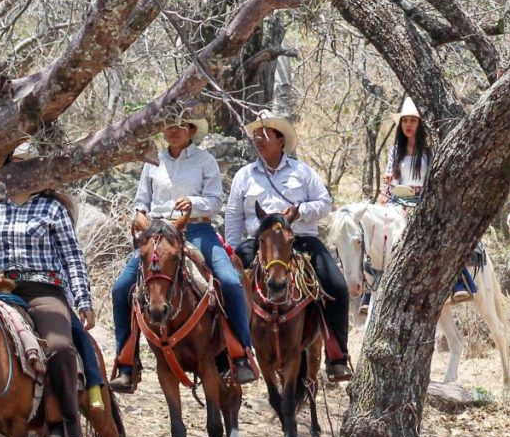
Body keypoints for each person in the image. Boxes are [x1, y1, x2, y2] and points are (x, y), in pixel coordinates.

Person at [108, 112, 256, 392]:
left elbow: (214, 202)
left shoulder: (205, 161)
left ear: (191, 129)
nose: (173, 130)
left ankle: (241, 356)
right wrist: (139, 214)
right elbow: (141, 200)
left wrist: (193, 203)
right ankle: (127, 363)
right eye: (167, 125)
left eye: (179, 126)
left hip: (197, 230)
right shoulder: (153, 161)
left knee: (231, 281)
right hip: (157, 233)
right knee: (121, 289)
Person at [0, 147, 95, 437]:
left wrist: (84, 300)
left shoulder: (52, 209)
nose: (23, 172)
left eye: (30, 166)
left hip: (43, 290)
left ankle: (61, 420)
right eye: (17, 166)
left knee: (59, 347)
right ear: (7, 169)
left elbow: (73, 258)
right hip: (0, 291)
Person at [225, 110, 353, 382]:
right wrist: (233, 253)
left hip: (301, 240)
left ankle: (337, 355)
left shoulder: (302, 172)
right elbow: (234, 217)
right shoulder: (244, 176)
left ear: (281, 140)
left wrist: (300, 211)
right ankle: (234, 355)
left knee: (337, 286)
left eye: (265, 134)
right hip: (259, 242)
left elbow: (325, 203)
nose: (258, 139)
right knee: (226, 286)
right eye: (256, 135)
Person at [373, 97, 477, 308]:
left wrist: (421, 190)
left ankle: (460, 282)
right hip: (397, 200)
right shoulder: (395, 151)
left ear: (419, 125)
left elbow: (435, 179)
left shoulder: (429, 152)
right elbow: (388, 180)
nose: (408, 125)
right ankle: (371, 289)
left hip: (422, 202)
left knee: (440, 233)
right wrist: (384, 196)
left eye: (413, 120)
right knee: (374, 233)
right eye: (405, 121)